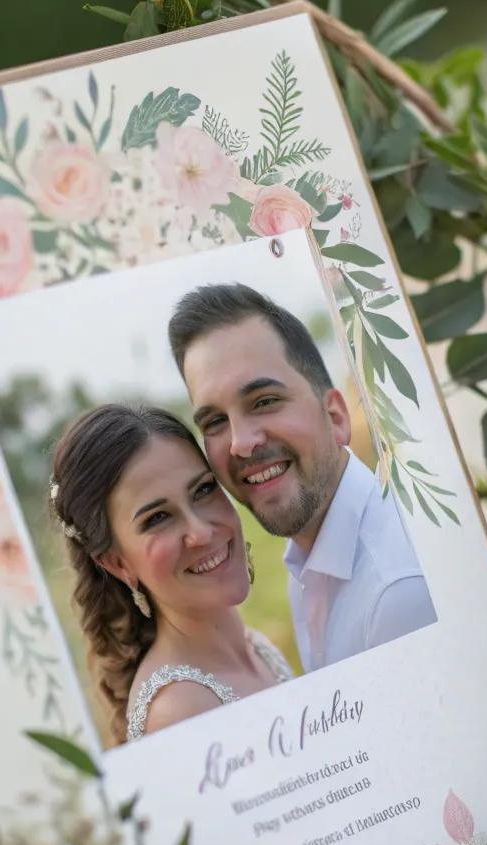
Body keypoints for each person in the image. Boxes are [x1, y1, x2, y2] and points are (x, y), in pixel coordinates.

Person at [168, 283, 437, 672]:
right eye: (214, 421)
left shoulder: (395, 595)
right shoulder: (306, 566)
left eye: (264, 402)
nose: (241, 443)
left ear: (335, 417)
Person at [50, 404, 291, 743]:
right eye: (158, 518)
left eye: (204, 490)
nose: (201, 532)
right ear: (117, 563)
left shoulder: (259, 649)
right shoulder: (179, 712)